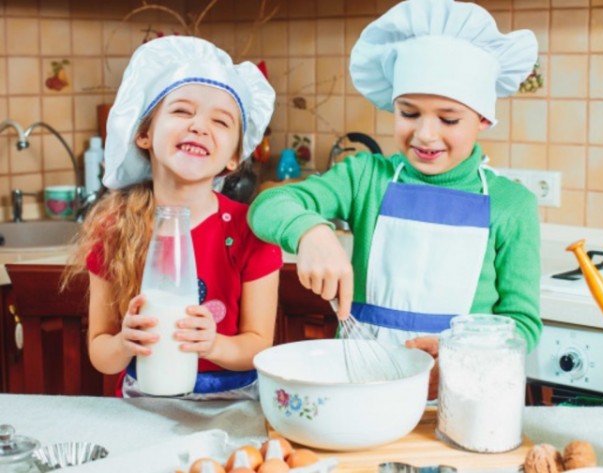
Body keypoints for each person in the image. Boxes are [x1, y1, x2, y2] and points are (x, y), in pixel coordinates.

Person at [248, 0, 542, 397]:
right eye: (409, 113)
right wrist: (310, 232)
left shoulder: (511, 205)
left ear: (483, 118)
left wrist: (463, 357)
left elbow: (522, 324)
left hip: (462, 399)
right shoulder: (365, 177)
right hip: (358, 391)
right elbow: (267, 206)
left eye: (448, 119)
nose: (424, 134)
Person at [63, 36, 281, 400]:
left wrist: (213, 345)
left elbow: (259, 345)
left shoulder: (251, 230)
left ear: (233, 158)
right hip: (144, 404)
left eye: (221, 121)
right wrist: (125, 343)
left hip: (229, 406)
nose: (199, 126)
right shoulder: (116, 229)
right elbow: (101, 353)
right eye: (182, 111)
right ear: (145, 134)